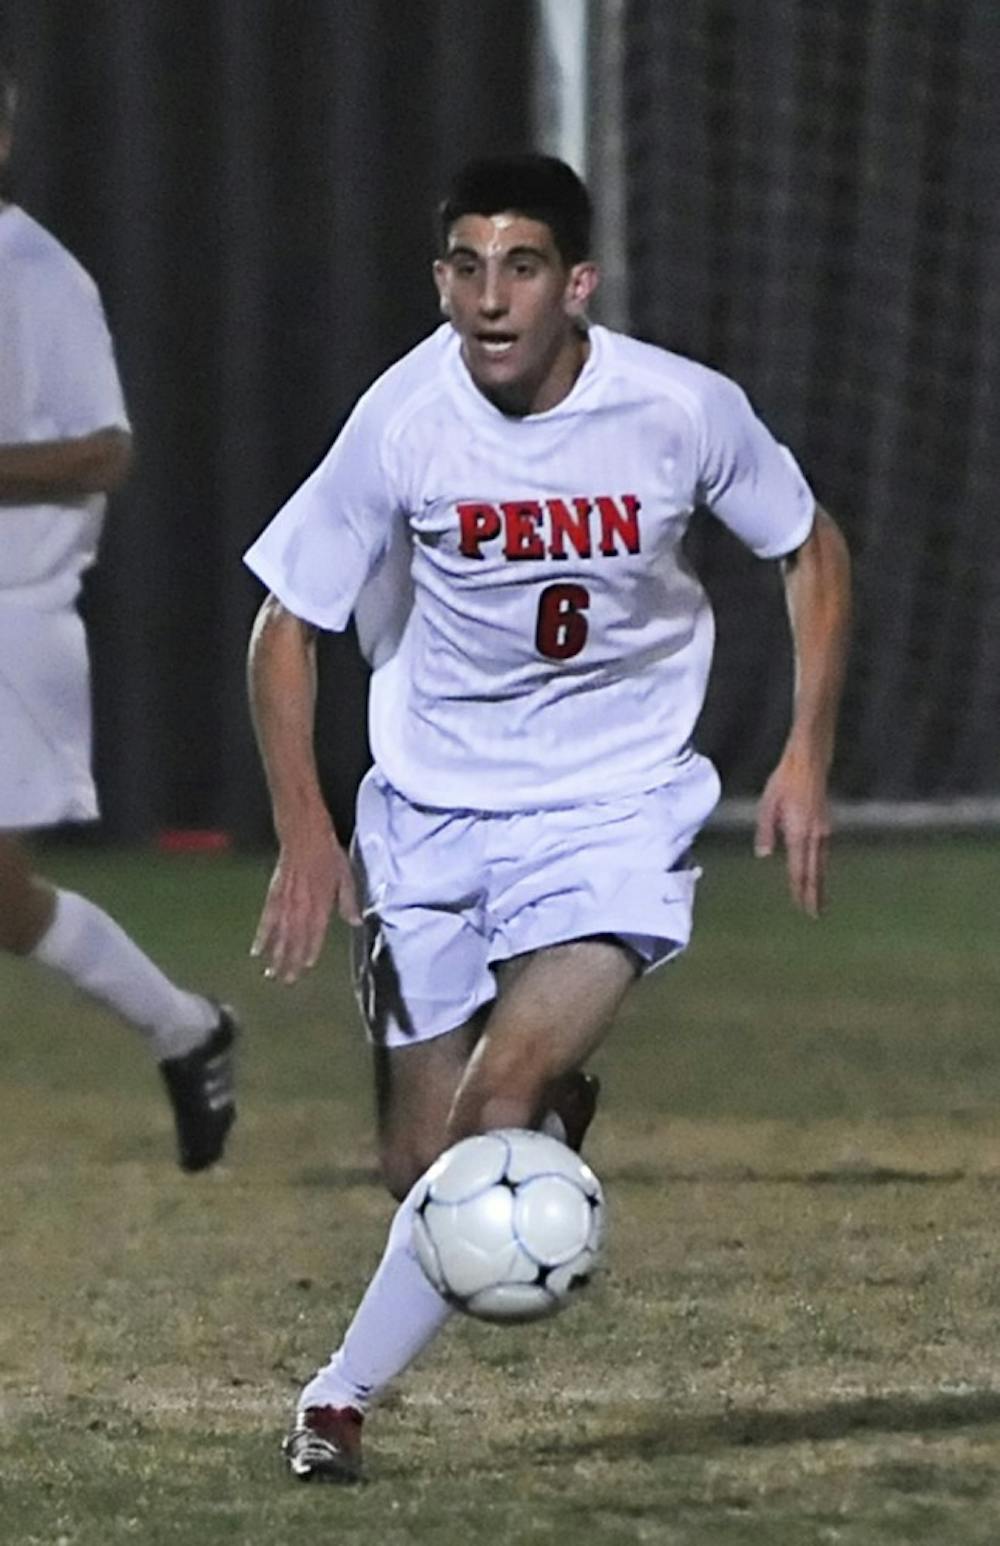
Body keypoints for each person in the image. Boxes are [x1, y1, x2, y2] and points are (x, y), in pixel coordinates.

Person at [244, 153, 851, 1481]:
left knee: (489, 1110)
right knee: (419, 1167)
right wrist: (305, 821)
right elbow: (286, 625)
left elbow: (810, 543)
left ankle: (337, 1399)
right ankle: (537, 1110)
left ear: (576, 284)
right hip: (433, 813)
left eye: (521, 268)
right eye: (465, 266)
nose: (489, 298)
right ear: (441, 280)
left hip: (614, 810)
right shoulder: (404, 418)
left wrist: (806, 751)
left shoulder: (678, 409)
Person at [0, 55, 237, 1172]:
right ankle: (186, 1028)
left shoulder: (37, 273)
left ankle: (186, 1027)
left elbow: (108, 449)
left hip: (12, 620)